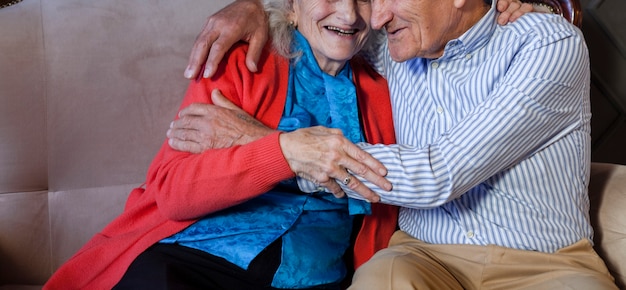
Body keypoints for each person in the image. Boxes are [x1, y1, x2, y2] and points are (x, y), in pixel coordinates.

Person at [170, 0, 620, 289]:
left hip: (546, 264)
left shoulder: (546, 42)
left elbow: (438, 175)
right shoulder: (391, 46)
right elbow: (324, 25)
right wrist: (252, 8)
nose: (376, 16)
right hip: (422, 255)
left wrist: (273, 145)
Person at [44, 0, 397, 289]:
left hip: (312, 274)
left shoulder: (384, 92)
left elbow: (391, 188)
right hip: (200, 257)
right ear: (292, 5)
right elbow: (173, 192)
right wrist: (282, 152)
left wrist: (258, 139)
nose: (348, 14)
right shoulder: (243, 60)